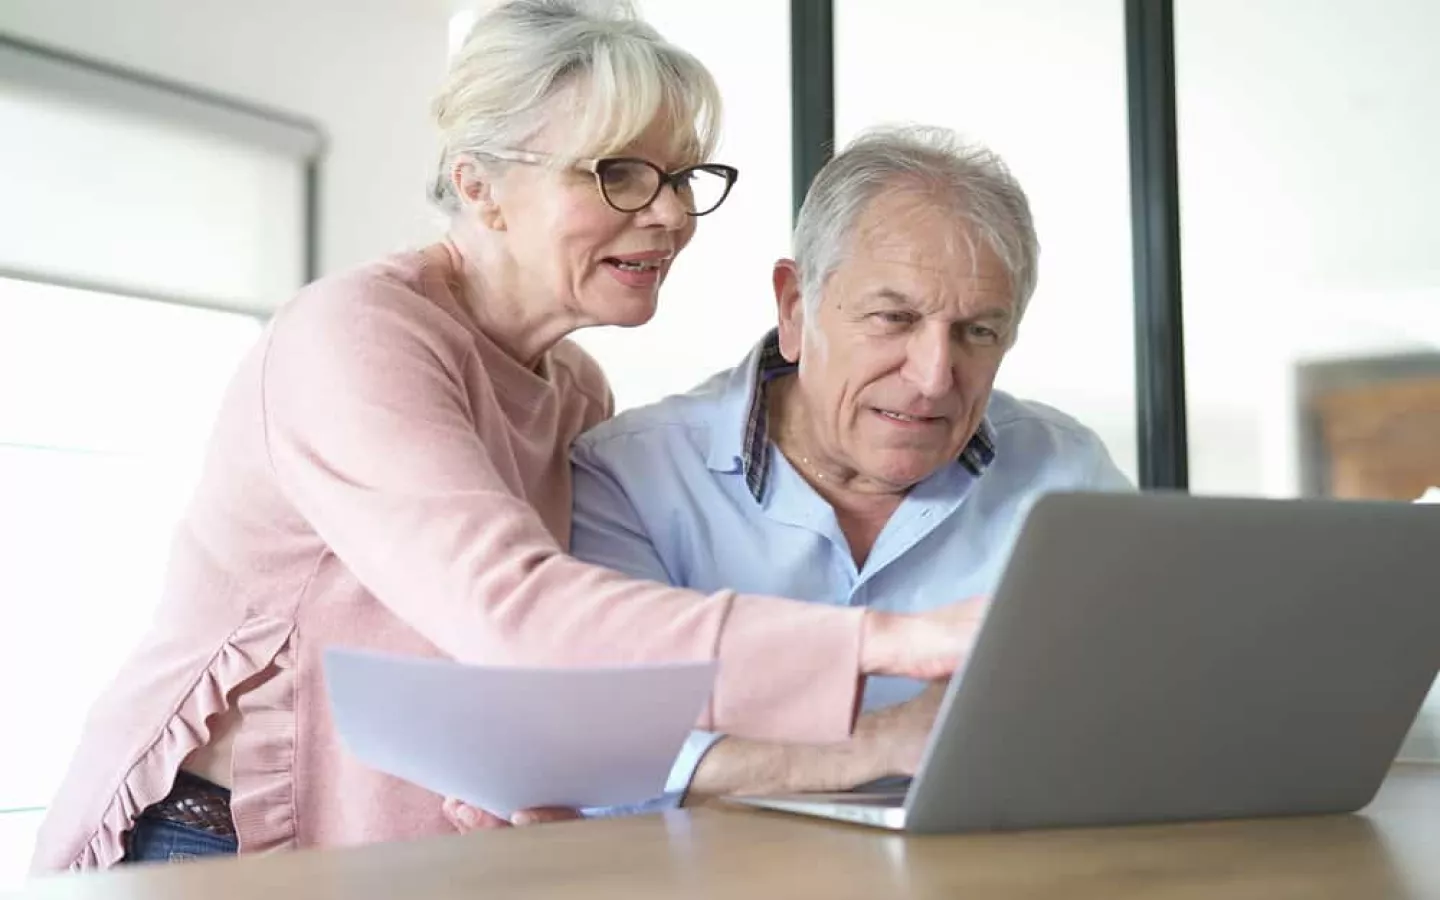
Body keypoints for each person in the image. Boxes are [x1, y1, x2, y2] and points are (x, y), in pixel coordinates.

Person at [31, 2, 980, 872]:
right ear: (478, 186)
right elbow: (517, 615)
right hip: (207, 844)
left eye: (683, 177)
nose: (672, 214)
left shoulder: (574, 390)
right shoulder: (352, 338)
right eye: (619, 174)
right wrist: (894, 642)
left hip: (393, 849)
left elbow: (573, 674)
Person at [445, 124, 1130, 831]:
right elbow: (588, 757)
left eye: (978, 333)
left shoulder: (1066, 476)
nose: (932, 378)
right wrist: (874, 744)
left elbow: (1147, 717)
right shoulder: (630, 476)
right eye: (893, 319)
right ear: (795, 307)